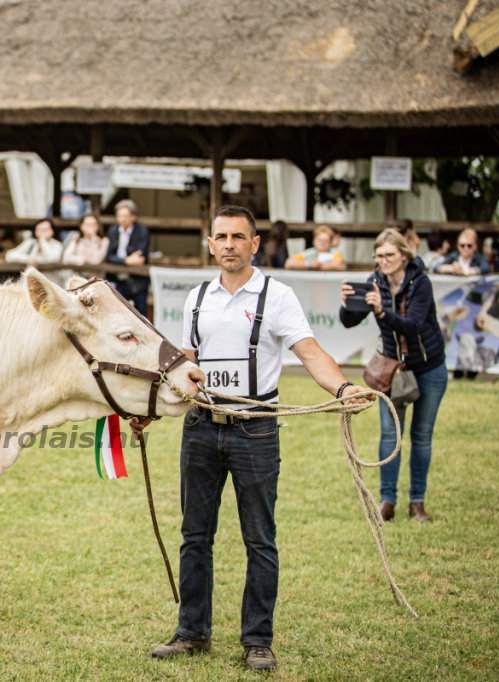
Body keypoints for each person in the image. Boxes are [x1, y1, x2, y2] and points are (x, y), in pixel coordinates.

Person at [145, 205, 371, 672]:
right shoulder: (196, 298)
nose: (228, 244)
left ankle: (257, 640)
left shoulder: (278, 295)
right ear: (210, 244)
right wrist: (152, 410)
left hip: (256, 429)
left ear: (254, 243)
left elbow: (310, 352)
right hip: (202, 429)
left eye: (238, 237)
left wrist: (344, 387)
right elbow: (186, 364)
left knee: (260, 539)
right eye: (220, 237)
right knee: (194, 535)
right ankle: (192, 631)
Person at [340, 229, 447, 522]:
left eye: (389, 255)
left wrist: (383, 311)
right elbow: (350, 321)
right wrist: (348, 304)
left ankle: (417, 502)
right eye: (379, 256)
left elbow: (412, 325)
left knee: (421, 436)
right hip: (392, 368)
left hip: (429, 368)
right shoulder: (375, 281)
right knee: (390, 435)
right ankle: (387, 502)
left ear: (404, 255)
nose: (384, 261)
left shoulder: (420, 282)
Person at [105, 199, 150, 312]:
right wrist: (126, 261)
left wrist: (120, 260)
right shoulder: (113, 231)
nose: (122, 219)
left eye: (125, 216)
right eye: (119, 215)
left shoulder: (142, 231)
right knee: (118, 313)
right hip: (118, 280)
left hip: (138, 281)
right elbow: (109, 257)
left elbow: (140, 258)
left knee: (141, 316)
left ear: (133, 217)